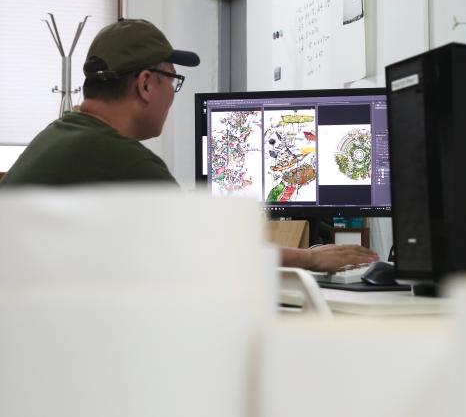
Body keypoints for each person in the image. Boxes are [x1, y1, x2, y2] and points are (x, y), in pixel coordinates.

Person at [0, 18, 378, 272]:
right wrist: (308, 260)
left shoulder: (64, 132)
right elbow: (209, 254)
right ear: (146, 84)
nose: (173, 93)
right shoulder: (123, 161)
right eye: (172, 79)